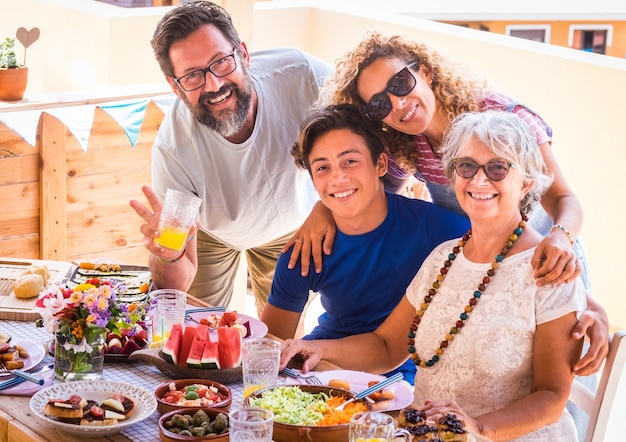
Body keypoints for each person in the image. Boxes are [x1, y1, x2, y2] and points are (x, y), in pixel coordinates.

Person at [285, 33, 608, 377]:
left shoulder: (502, 117)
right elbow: (372, 197)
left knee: (561, 376)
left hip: (550, 254)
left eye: (401, 82)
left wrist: (577, 281)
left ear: (424, 71)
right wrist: (323, 209)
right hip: (483, 262)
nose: (397, 103)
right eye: (379, 104)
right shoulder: (405, 141)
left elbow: (565, 199)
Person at [280, 111, 587, 441]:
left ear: (526, 181)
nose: (479, 181)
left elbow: (553, 397)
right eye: (466, 166)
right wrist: (318, 349)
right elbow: (385, 347)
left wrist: (477, 427)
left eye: (497, 167)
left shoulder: (551, 269)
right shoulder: (443, 257)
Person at [129, 1, 330, 312]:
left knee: (283, 341)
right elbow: (174, 286)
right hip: (210, 231)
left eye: (221, 62)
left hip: (292, 222)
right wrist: (168, 253)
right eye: (192, 76)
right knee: (196, 325)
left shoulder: (305, 76)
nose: (215, 84)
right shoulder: (173, 149)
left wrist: (327, 209)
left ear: (244, 55)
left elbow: (368, 143)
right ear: (175, 86)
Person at [260, 104, 470, 383]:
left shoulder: (437, 229)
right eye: (323, 167)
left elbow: (502, 246)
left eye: (350, 161)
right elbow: (269, 348)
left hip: (405, 370)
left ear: (381, 164)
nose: (337, 177)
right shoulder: (306, 249)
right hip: (320, 366)